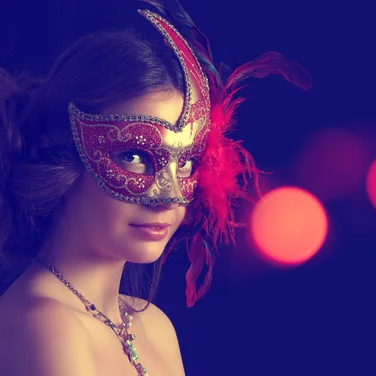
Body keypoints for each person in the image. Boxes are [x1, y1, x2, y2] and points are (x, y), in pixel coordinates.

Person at [0, 1, 310, 375]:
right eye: (134, 155)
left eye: (187, 162)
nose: (168, 196)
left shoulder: (154, 325)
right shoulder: (45, 326)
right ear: (63, 155)